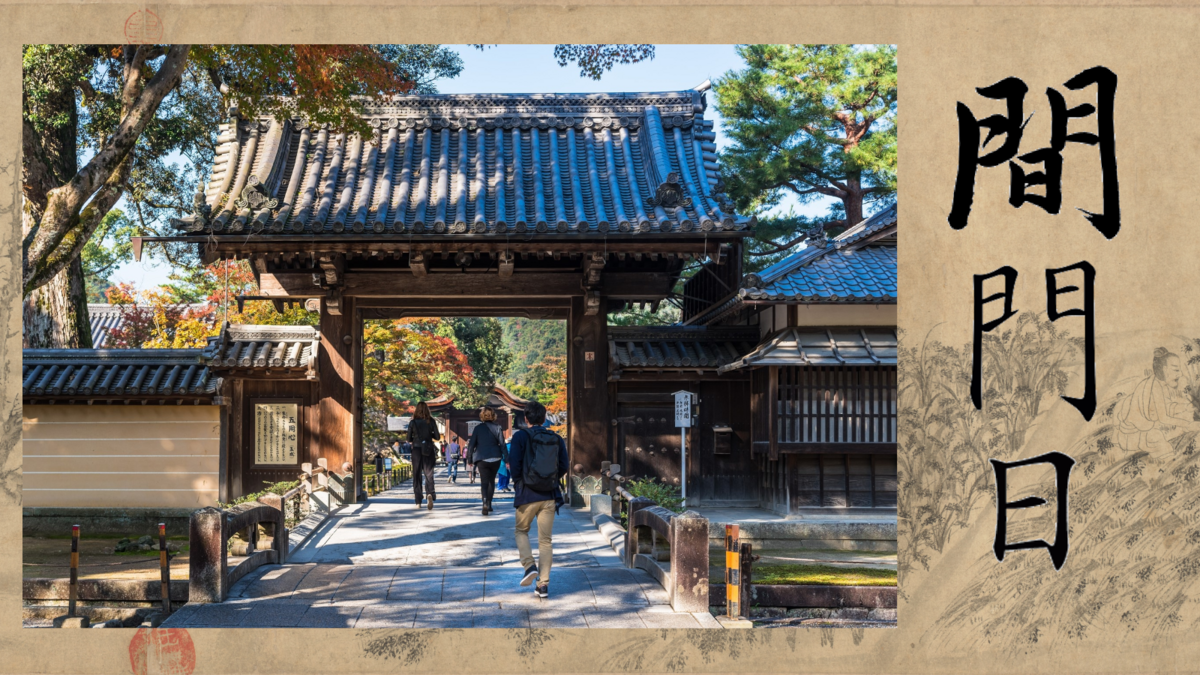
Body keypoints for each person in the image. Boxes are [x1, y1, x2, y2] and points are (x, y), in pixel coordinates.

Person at [508, 401, 568, 598]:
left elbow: (515, 464)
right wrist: (550, 480)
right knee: (545, 540)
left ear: (526, 418)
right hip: (549, 494)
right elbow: (564, 466)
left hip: (527, 494)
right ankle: (543, 585)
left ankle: (529, 566)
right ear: (544, 419)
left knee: (521, 531)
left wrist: (520, 483)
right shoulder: (556, 438)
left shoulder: (520, 436)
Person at [1116, 347, 1200, 458]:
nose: (1180, 374)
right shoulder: (1154, 386)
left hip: (1144, 431)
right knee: (1167, 450)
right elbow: (1164, 417)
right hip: (1134, 436)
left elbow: (1166, 407)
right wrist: (1188, 424)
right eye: (1176, 370)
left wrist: (1185, 407)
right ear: (1165, 370)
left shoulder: (1160, 384)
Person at [467, 407, 507, 515]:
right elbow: (502, 444)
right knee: (491, 481)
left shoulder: (478, 428)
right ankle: (489, 504)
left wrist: (469, 459)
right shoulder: (498, 427)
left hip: (482, 457)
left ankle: (484, 501)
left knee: (484, 481)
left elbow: (471, 445)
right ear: (493, 416)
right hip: (495, 457)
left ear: (482, 416)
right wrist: (507, 459)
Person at [407, 402, 442, 510]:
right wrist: (429, 435)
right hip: (428, 449)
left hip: (416, 450)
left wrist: (416, 438)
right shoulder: (431, 421)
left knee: (417, 475)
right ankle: (430, 493)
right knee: (429, 473)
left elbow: (408, 438)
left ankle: (418, 500)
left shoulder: (413, 422)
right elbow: (437, 437)